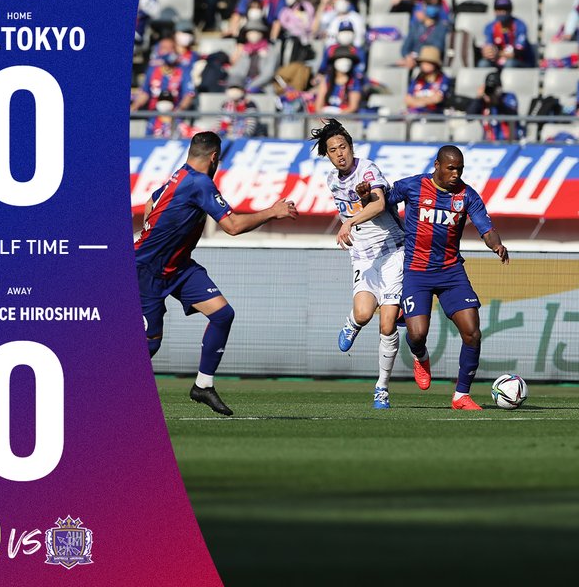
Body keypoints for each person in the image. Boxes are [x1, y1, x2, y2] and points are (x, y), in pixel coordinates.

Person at [135, 131, 299, 415]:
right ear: (214, 157)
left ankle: (203, 385)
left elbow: (151, 202)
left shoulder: (180, 176)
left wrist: (157, 232)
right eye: (218, 159)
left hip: (179, 266)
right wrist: (273, 211)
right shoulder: (199, 182)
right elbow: (232, 226)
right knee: (150, 345)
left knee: (223, 314)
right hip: (147, 270)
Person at [340, 145, 510, 410]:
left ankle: (461, 396)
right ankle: (420, 355)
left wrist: (496, 244)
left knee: (472, 332)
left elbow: (486, 229)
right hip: (416, 272)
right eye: (451, 168)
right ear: (437, 165)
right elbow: (381, 203)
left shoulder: (467, 195)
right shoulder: (413, 186)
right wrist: (365, 197)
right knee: (417, 334)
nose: (456, 174)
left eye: (460, 169)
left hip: (451, 272)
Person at [310, 119, 405, 409]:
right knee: (363, 314)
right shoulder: (332, 180)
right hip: (363, 255)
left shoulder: (368, 169)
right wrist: (358, 208)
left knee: (387, 323)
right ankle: (353, 323)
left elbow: (378, 204)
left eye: (343, 147)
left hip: (392, 251)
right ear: (327, 155)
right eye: (332, 150)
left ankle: (381, 388)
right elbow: (362, 202)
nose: (339, 153)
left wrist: (350, 221)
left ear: (351, 147)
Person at [478, 0, 534, 68]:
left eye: (506, 9)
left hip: (520, 61)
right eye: (499, 9)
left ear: (511, 10)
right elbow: (489, 47)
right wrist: (487, 52)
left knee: (509, 63)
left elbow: (518, 52)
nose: (503, 12)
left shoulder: (520, 25)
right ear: (495, 11)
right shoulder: (490, 27)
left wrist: (498, 54)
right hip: (498, 60)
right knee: (483, 63)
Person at [466, 71, 524, 140]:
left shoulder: (509, 97)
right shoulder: (482, 102)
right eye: (488, 88)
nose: (491, 91)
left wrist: (497, 102)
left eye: (493, 88)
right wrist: (478, 98)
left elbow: (512, 115)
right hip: (488, 142)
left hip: (507, 141)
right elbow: (469, 117)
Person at [404, 47, 451, 116]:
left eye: (428, 62)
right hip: (414, 114)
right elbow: (407, 99)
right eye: (423, 62)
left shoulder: (443, 79)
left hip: (434, 115)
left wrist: (417, 101)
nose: (424, 65)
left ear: (435, 64)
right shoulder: (417, 79)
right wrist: (426, 101)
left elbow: (437, 98)